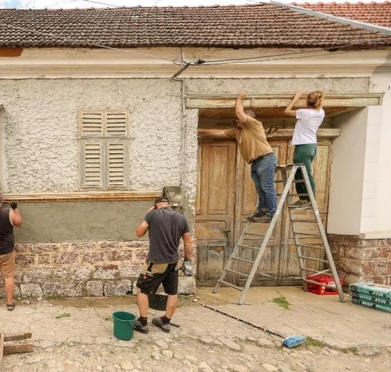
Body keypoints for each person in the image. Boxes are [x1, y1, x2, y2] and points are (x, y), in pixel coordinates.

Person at [198, 92, 277, 223]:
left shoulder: (254, 125)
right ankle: (262, 210)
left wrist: (239, 99)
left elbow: (240, 113)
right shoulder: (237, 132)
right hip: (255, 163)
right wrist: (198, 130)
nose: (236, 120)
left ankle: (271, 212)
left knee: (267, 187)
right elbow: (219, 132)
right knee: (260, 188)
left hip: (265, 159)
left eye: (239, 119)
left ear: (247, 119)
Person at [133, 196, 193, 334]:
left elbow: (139, 232)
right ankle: (165, 321)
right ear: (169, 205)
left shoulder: (153, 214)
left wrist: (148, 214)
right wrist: (187, 260)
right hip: (173, 262)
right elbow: (188, 242)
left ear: (156, 206)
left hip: (156, 262)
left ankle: (142, 323)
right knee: (172, 292)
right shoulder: (181, 217)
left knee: (142, 289)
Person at [285, 91, 325, 208]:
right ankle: (303, 199)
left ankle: (311, 200)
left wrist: (295, 99)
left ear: (307, 101)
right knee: (299, 172)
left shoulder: (304, 113)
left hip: (303, 146)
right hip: (312, 145)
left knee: (305, 173)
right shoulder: (321, 112)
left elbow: (286, 112)